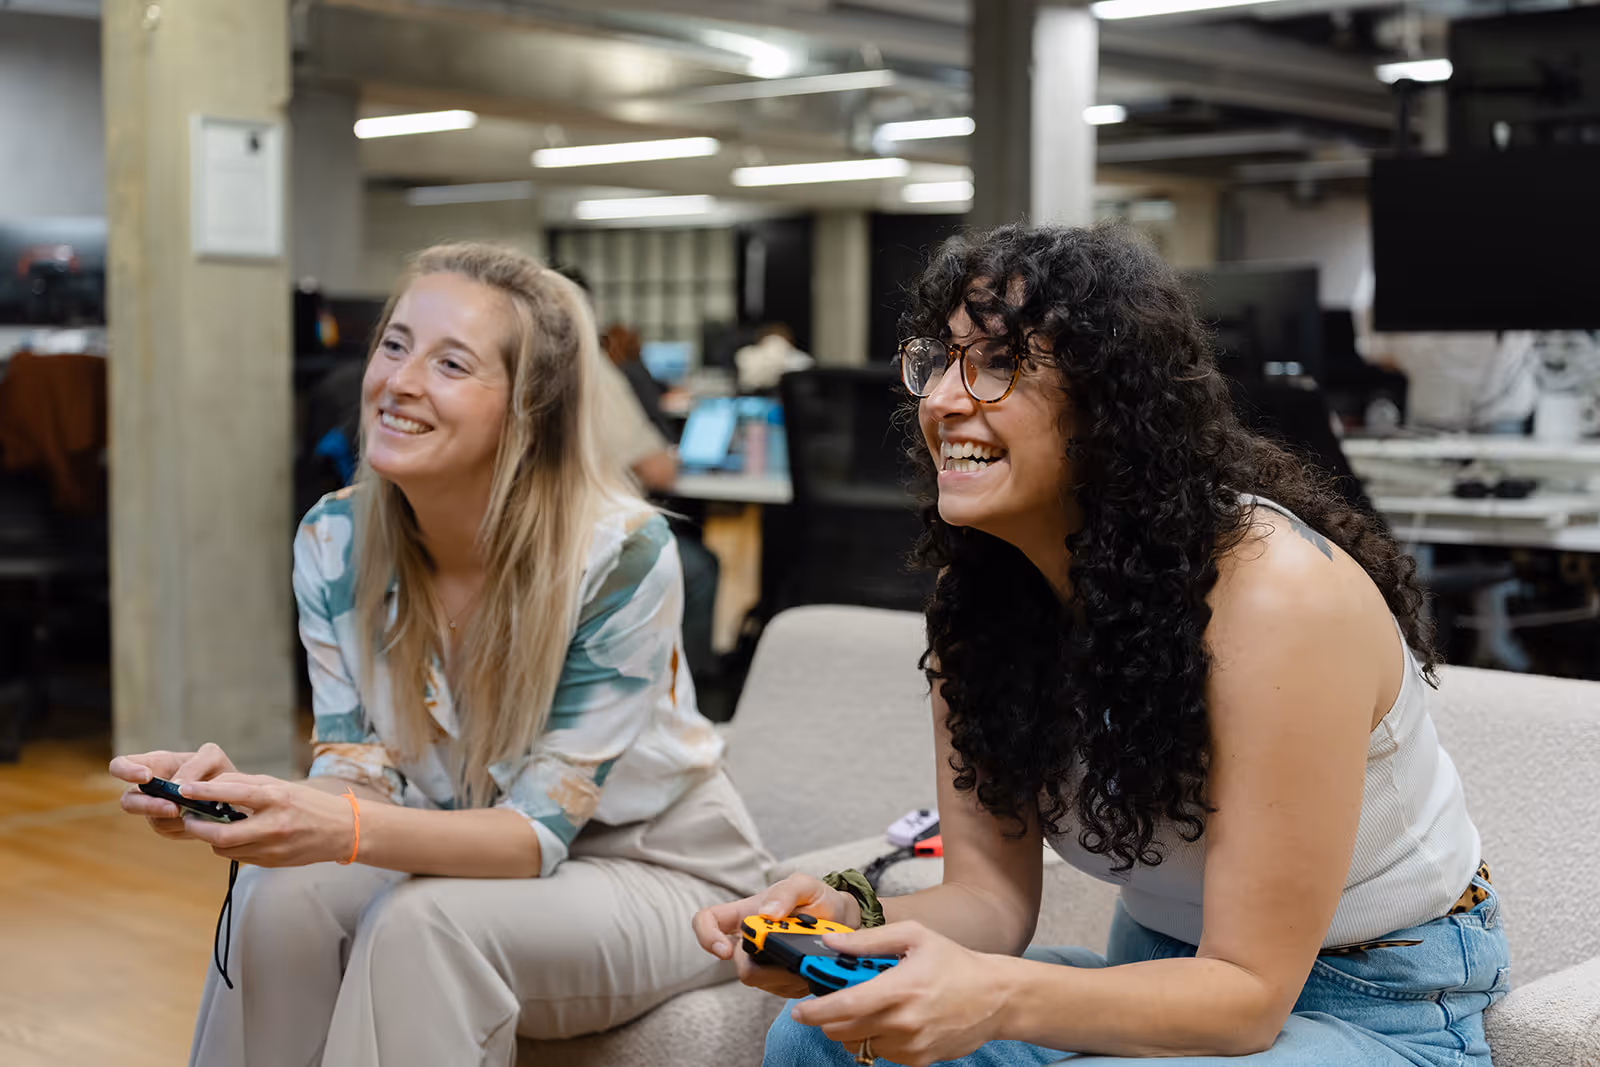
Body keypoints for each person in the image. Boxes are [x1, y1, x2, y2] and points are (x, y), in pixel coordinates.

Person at [693, 224, 1508, 1067]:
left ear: (1111, 405)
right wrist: (853, 926)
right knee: (822, 1034)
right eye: (937, 360)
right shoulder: (978, 599)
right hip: (1163, 981)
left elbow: (1247, 998)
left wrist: (998, 996)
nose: (939, 399)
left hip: (1373, 1004)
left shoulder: (1278, 598)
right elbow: (988, 901)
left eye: (1000, 364)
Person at [111, 243, 769, 1066]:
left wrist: (341, 824)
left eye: (450, 363)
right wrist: (259, 806)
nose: (400, 381)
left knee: (425, 924)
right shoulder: (334, 539)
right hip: (462, 840)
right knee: (277, 893)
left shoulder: (618, 554)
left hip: (657, 868)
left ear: (527, 410)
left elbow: (535, 833)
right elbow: (358, 775)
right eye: (394, 344)